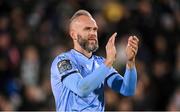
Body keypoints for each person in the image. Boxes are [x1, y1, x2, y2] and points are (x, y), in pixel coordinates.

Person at [50, 9, 139, 111]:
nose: (93, 33)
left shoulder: (100, 63)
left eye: (95, 29)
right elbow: (82, 89)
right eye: (87, 29)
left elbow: (128, 90)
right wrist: (108, 62)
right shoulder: (63, 61)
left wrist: (131, 62)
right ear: (73, 34)